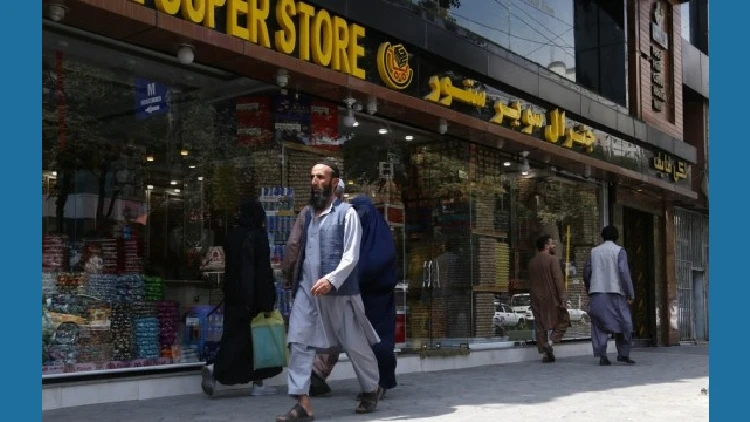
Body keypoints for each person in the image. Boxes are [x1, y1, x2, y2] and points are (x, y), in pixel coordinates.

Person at [276, 162, 381, 422]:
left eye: (320, 177)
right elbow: (294, 246)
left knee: (354, 343)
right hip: (307, 290)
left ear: (334, 182)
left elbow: (351, 255)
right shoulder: (306, 214)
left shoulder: (348, 214)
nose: (314, 181)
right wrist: (290, 276)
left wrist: (332, 280)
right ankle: (302, 403)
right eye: (311, 177)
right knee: (298, 341)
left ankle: (371, 388)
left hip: (337, 291)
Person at [308, 195, 399, 400]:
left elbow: (376, 264)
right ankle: (370, 385)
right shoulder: (354, 231)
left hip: (378, 299)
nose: (358, 215)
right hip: (354, 296)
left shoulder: (379, 238)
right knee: (355, 342)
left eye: (360, 210)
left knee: (379, 342)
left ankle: (380, 382)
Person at [201, 199, 281, 396]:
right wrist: (263, 299)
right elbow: (256, 271)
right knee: (245, 341)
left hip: (235, 296)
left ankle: (258, 383)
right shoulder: (257, 236)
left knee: (242, 339)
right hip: (252, 297)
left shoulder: (233, 236)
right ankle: (215, 369)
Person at [584, 225, 636, 366]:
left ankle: (602, 356)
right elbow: (624, 273)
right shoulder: (619, 251)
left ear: (602, 236)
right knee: (625, 324)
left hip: (597, 293)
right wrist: (630, 293)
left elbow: (587, 272)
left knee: (599, 325)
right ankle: (623, 354)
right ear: (616, 237)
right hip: (616, 293)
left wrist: (590, 288)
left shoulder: (593, 252)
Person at [527, 235, 569, 363]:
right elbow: (558, 279)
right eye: (552, 244)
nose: (554, 245)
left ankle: (546, 355)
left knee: (541, 326)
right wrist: (563, 297)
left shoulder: (532, 262)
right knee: (564, 320)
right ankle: (550, 343)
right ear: (546, 246)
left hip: (536, 298)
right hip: (551, 297)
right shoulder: (552, 259)